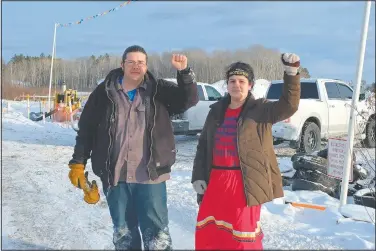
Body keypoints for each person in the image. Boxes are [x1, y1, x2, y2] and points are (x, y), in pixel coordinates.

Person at [67, 45, 199, 250]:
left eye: (141, 62)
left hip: (150, 175)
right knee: (124, 233)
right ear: (122, 65)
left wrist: (184, 73)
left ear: (146, 66)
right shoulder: (103, 93)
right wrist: (78, 163)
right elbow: (87, 130)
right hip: (115, 174)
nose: (136, 66)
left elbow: (188, 99)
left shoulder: (159, 90)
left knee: (157, 235)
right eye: (131, 62)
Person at [191, 53, 301, 250]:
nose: (236, 85)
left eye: (242, 81)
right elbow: (204, 145)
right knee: (210, 234)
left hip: (244, 182)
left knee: (242, 237)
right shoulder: (216, 111)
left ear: (250, 85)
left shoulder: (261, 109)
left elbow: (289, 106)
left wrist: (291, 73)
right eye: (232, 81)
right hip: (216, 180)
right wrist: (198, 175)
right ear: (227, 85)